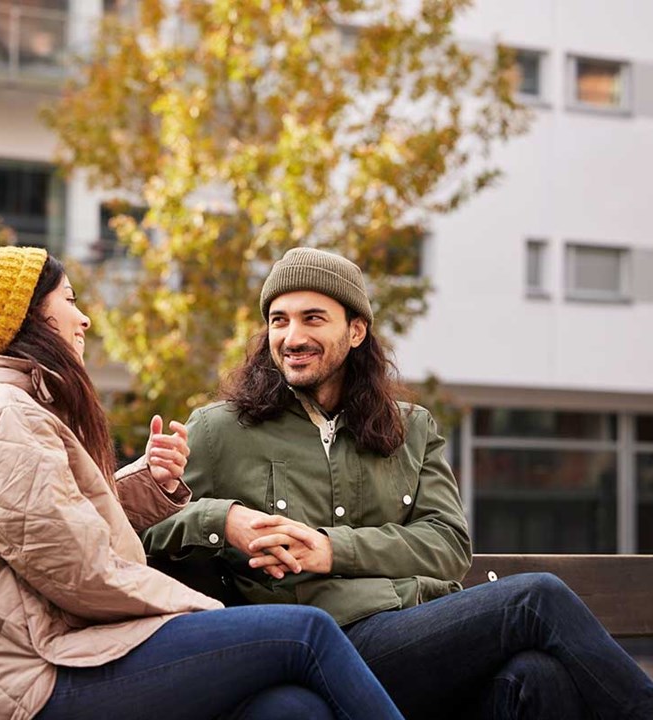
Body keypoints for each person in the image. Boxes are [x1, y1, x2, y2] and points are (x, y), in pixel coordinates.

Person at [0, 246, 405, 720]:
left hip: (68, 655)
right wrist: (202, 614)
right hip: (45, 677)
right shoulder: (2, 417)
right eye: (68, 300)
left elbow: (49, 530)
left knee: (290, 710)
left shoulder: (4, 411)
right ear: (26, 317)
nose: (83, 316)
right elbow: (79, 571)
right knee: (306, 634)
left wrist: (147, 483)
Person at [142, 247, 653, 720]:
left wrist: (329, 549)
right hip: (321, 644)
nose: (292, 336)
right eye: (279, 320)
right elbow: (145, 536)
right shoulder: (220, 428)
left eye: (312, 318)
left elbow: (449, 546)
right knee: (534, 598)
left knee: (536, 678)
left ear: (356, 331)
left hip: (419, 635)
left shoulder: (411, 427)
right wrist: (223, 518)